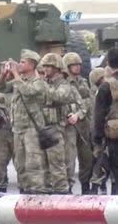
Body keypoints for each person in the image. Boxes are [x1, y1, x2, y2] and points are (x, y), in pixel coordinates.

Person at [0, 49, 46, 194]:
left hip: (31, 129)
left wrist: (16, 74)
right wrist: (3, 75)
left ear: (31, 65)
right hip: (18, 128)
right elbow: (1, 88)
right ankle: (24, 191)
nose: (19, 64)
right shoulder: (19, 81)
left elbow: (29, 92)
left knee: (34, 162)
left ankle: (37, 192)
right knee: (20, 163)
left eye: (23, 62)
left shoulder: (37, 83)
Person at [40, 53, 73, 194]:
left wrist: (42, 85)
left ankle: (62, 193)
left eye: (49, 66)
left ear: (57, 68)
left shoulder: (64, 84)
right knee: (43, 166)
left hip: (56, 129)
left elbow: (60, 96)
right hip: (42, 128)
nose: (46, 69)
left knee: (57, 164)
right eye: (45, 66)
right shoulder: (45, 82)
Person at [63, 52, 94, 194]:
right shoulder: (63, 83)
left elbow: (89, 101)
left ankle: (85, 186)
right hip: (68, 126)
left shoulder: (83, 81)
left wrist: (79, 113)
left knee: (87, 158)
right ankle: (67, 188)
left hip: (83, 124)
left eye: (78, 64)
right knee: (69, 159)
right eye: (74, 65)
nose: (77, 67)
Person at [93, 48, 118, 195]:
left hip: (114, 140)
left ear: (108, 63)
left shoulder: (105, 87)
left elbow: (98, 117)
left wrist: (97, 141)